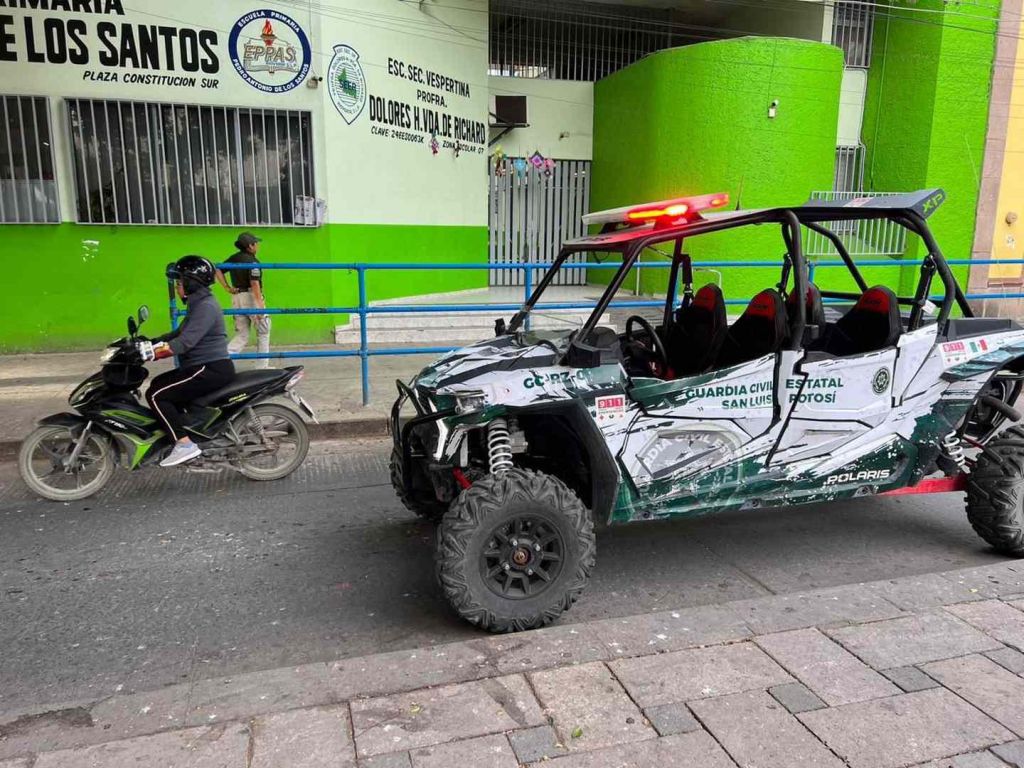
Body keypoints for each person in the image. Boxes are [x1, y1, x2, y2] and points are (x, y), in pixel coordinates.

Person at [141, 256, 235, 467]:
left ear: (192, 283)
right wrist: (150, 342)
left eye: (179, 283)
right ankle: (185, 431)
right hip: (200, 367)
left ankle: (185, 445)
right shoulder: (199, 304)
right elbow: (178, 333)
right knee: (158, 383)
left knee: (156, 395)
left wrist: (152, 354)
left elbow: (185, 342)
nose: (177, 288)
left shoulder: (206, 306)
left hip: (209, 368)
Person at [218, 232, 270, 369]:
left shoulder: (234, 258)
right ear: (250, 246)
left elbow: (217, 269)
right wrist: (260, 306)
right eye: (256, 243)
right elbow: (254, 283)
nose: (257, 245)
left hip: (237, 298)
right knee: (263, 331)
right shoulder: (253, 262)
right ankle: (262, 367)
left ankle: (222, 363)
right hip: (251, 297)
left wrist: (227, 288)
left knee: (241, 335)